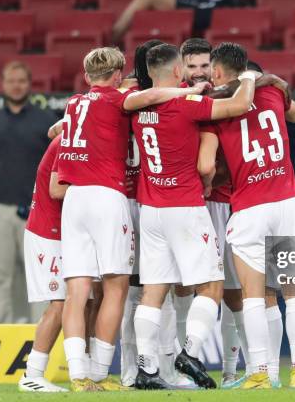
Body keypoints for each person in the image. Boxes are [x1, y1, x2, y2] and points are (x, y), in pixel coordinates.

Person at [57, 46, 212, 392]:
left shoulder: (72, 104)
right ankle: (98, 373)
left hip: (74, 199)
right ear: (116, 76)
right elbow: (154, 94)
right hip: (107, 196)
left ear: (86, 77)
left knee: (77, 290)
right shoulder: (118, 99)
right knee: (117, 286)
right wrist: (188, 90)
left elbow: (57, 132)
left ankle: (77, 375)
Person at [127, 43, 257, 390]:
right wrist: (248, 75)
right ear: (176, 72)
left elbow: (129, 97)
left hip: (150, 209)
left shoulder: (138, 105)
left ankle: (146, 368)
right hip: (184, 206)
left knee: (153, 292)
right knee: (212, 285)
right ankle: (190, 352)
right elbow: (240, 104)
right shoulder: (185, 103)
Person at [198, 42, 295, 390]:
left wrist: (207, 183)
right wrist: (270, 82)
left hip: (250, 206)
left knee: (254, 295)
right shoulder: (274, 92)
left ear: (217, 71)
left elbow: (204, 165)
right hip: (288, 200)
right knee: (294, 293)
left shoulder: (217, 107)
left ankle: (261, 371)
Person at [178, 37, 251, 388]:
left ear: (214, 67)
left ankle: (238, 370)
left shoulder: (227, 94)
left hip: (222, 203)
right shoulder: (174, 99)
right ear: (181, 68)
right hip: (184, 205)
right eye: (191, 66)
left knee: (232, 291)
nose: (198, 72)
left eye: (204, 66)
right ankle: (172, 369)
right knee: (178, 288)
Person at [0, 61, 57, 324]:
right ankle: (0, 332)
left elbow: (59, 162)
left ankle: (40, 335)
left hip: (37, 211)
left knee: (41, 277)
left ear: (29, 84)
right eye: (11, 81)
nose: (16, 86)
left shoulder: (45, 121)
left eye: (21, 80)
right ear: (2, 84)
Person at [18, 136, 69, 392]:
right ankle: (32, 374)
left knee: (82, 302)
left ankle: (91, 372)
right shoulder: (67, 141)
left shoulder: (69, 133)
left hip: (61, 232)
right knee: (59, 304)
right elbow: (56, 189)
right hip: (47, 233)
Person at [112, 0, 235, 42]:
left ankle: (112, 40)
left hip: (212, 10)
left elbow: (229, 3)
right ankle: (113, 40)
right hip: (189, 3)